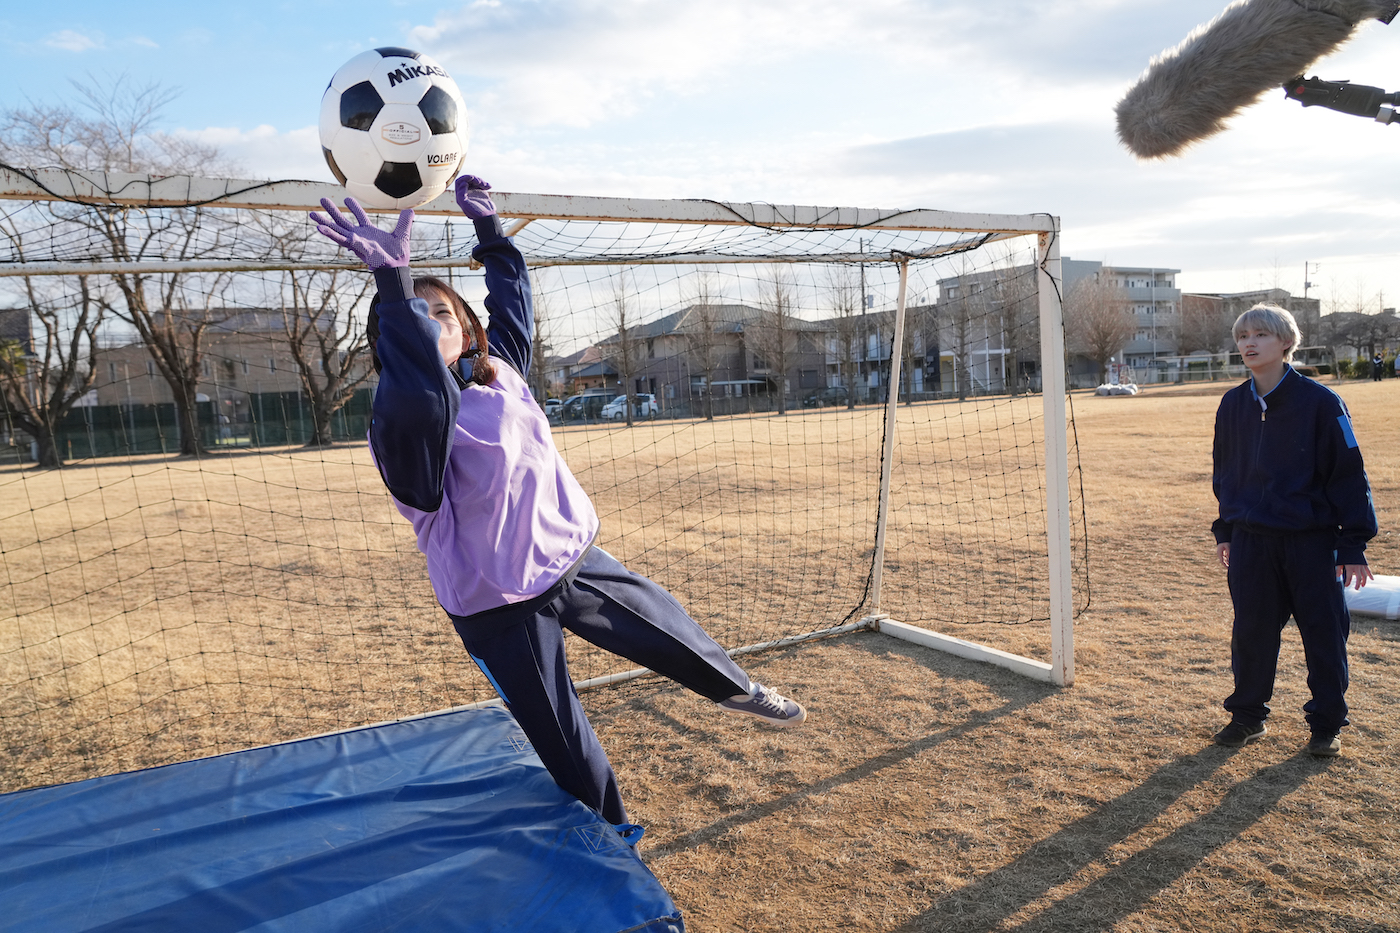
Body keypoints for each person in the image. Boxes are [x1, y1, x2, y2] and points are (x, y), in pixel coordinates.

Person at [308, 176, 806, 829]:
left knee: (671, 629)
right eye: (413, 316)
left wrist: (490, 235)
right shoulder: (401, 420)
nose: (431, 321)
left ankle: (736, 690)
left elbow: (512, 299)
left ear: (468, 330)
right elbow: (421, 400)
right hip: (497, 609)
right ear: (389, 342)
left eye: (443, 312)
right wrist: (393, 284)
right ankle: (614, 840)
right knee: (567, 744)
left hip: (572, 558)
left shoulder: (501, 367)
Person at [1211, 304, 1377, 757]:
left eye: (1261, 334)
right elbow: (1225, 472)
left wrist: (1352, 544)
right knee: (1252, 632)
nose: (1249, 342)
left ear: (1286, 343)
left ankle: (1326, 725)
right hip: (1251, 543)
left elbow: (1349, 474)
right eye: (1243, 334)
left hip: (1311, 542)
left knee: (1323, 635)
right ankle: (1247, 717)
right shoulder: (1231, 404)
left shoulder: (1321, 403)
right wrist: (1225, 529)